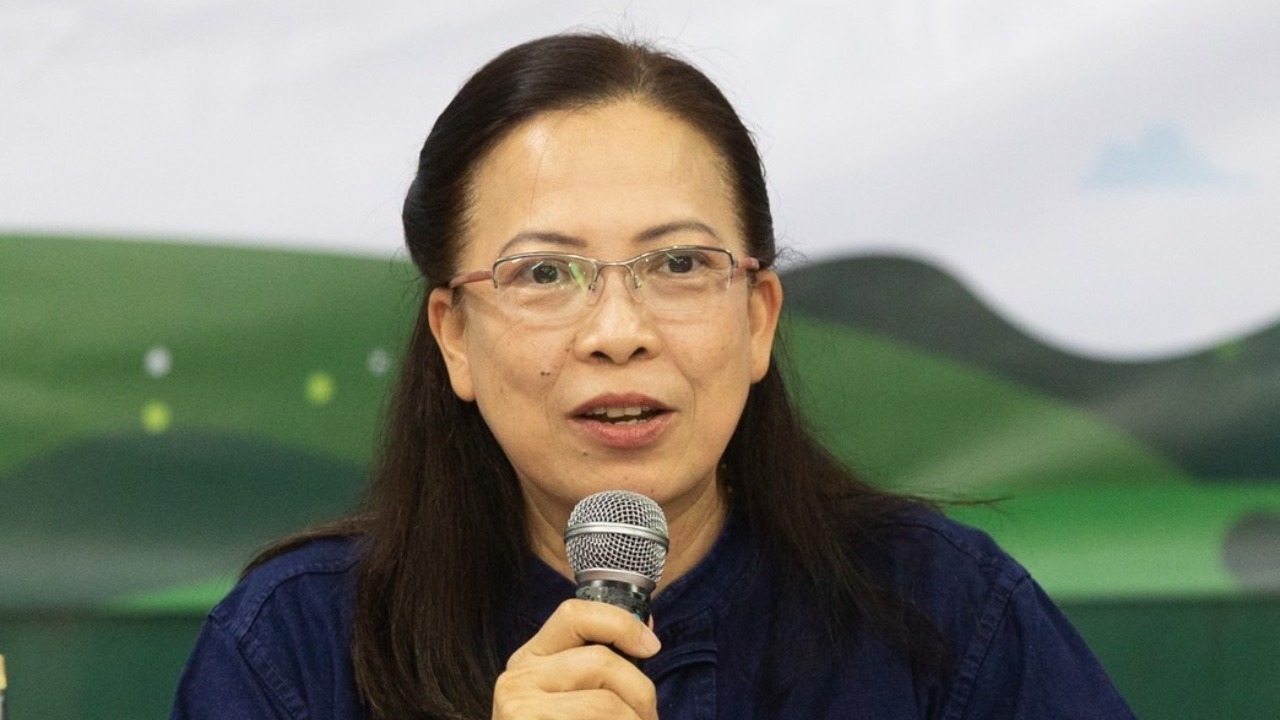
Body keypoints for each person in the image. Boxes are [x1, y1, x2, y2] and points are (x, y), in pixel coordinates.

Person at [171, 32, 1135, 719]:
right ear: (454, 337)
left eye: (678, 264)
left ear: (757, 320)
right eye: (545, 273)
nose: (618, 332)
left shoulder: (945, 615)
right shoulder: (294, 650)